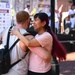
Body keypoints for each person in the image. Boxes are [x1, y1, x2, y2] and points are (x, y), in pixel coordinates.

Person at [1, 11, 30, 75]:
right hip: (19, 71)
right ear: (28, 20)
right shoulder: (27, 36)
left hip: (4, 70)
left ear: (16, 20)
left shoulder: (6, 30)